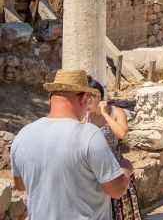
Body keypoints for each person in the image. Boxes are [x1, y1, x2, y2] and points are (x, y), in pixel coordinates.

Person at [11, 69, 132, 220]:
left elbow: (21, 185)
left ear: (51, 100)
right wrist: (126, 169)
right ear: (83, 99)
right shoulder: (89, 134)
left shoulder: (23, 135)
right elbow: (116, 190)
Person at [86, 78, 143, 220]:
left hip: (115, 165)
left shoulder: (117, 112)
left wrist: (105, 114)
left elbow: (122, 133)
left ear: (97, 97)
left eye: (87, 98)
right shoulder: (86, 115)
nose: (83, 102)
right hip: (94, 167)